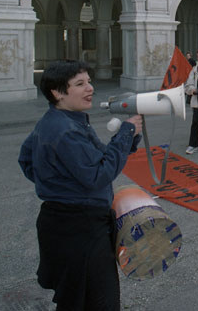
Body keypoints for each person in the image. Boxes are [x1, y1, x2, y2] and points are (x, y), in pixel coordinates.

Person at [18, 60, 142, 311]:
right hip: (81, 230)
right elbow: (98, 174)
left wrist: (56, 184)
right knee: (98, 301)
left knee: (75, 299)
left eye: (89, 81)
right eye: (79, 84)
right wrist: (125, 133)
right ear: (57, 92)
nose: (90, 88)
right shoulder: (67, 130)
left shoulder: (57, 121)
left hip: (64, 224)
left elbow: (26, 160)